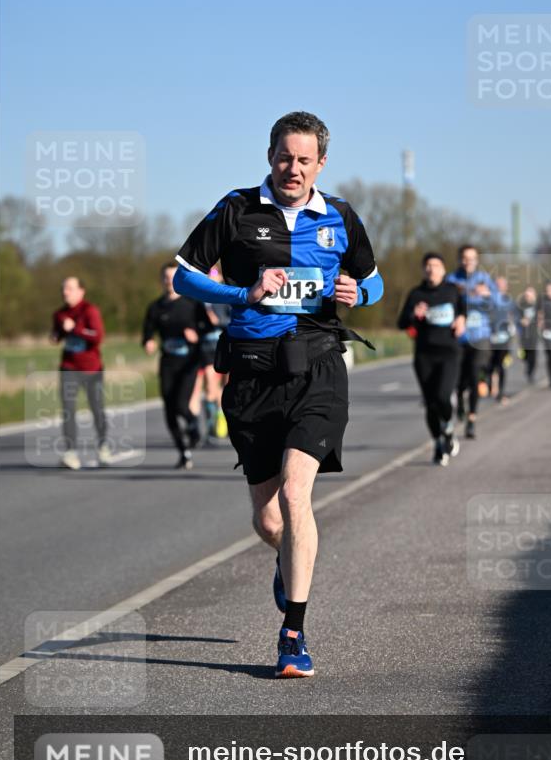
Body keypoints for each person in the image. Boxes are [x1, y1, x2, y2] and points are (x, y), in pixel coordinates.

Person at [173, 111, 383, 678]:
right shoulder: (237, 209)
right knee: (271, 523)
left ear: (321, 163)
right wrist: (244, 290)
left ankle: (293, 633)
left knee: (296, 495)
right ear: (270, 156)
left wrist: (358, 291)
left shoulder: (339, 216)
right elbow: (183, 276)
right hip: (251, 374)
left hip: (318, 368)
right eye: (285, 157)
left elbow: (374, 278)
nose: (294, 168)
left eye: (305, 159)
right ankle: (290, 563)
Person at [397, 252, 465, 465]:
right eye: (427, 265)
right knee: (430, 403)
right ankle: (438, 442)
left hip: (449, 353)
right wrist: (413, 315)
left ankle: (448, 428)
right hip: (424, 354)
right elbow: (401, 323)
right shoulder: (416, 294)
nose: (431, 268)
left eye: (435, 265)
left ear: (443, 270)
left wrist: (462, 319)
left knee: (443, 397)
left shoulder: (453, 290)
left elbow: (464, 309)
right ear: (423, 270)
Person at [142, 263, 211, 470]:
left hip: (189, 362)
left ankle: (193, 426)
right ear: (161, 280)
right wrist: (148, 341)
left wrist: (196, 334)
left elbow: (207, 326)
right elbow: (147, 331)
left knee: (181, 403)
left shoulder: (192, 303)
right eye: (165, 277)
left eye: (172, 277)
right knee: (169, 409)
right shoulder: (156, 307)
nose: (168, 281)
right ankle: (183, 452)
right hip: (168, 362)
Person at [51, 277, 110, 471]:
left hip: (92, 369)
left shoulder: (89, 310)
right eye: (63, 288)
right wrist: (55, 335)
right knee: (68, 410)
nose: (65, 292)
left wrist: (75, 328)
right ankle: (71, 453)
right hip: (69, 367)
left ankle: (103, 446)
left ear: (81, 291)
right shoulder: (59, 314)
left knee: (96, 408)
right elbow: (57, 336)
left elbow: (98, 337)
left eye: (69, 288)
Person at [447, 245, 495, 439]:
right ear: (459, 259)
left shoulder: (485, 280)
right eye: (465, 258)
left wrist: (488, 296)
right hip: (458, 338)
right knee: (459, 380)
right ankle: (459, 397)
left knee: (475, 376)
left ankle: (472, 419)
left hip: (480, 336)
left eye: (472, 258)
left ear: (477, 260)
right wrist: (470, 296)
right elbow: (448, 302)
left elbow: (498, 304)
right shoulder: (451, 280)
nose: (468, 262)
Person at [189, 268, 231, 445]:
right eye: (208, 275)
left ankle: (226, 419)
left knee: (228, 387)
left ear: (220, 277)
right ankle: (211, 425)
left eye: (214, 275)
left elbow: (233, 319)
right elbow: (193, 321)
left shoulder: (227, 296)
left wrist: (219, 322)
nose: (211, 278)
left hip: (225, 344)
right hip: (207, 347)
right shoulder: (200, 299)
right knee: (210, 389)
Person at [487, 276, 516, 404]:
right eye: (497, 284)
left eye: (502, 284)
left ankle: (501, 392)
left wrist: (512, 328)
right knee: (489, 365)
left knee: (501, 365)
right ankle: (490, 386)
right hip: (490, 337)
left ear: (506, 286)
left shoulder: (509, 301)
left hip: (504, 338)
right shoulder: (488, 300)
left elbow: (513, 316)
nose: (499, 286)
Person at [516, 286, 540, 383]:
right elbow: (516, 317)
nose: (529, 296)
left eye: (531, 294)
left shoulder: (537, 305)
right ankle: (526, 363)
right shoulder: (521, 305)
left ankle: (530, 373)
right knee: (524, 354)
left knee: (533, 355)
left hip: (533, 333)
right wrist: (521, 320)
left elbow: (543, 315)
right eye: (527, 294)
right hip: (524, 334)